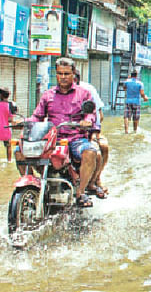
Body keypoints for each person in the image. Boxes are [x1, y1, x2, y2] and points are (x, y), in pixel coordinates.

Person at [16, 57, 101, 208]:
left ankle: (80, 193)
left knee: (90, 152)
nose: (63, 77)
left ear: (73, 74)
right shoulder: (48, 95)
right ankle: (35, 186)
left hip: (75, 139)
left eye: (66, 74)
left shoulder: (84, 93)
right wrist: (25, 122)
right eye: (60, 74)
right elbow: (37, 116)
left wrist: (86, 121)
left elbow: (91, 114)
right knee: (19, 150)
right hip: (52, 138)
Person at [74, 70, 109, 198]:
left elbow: (98, 115)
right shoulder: (52, 94)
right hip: (63, 135)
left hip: (86, 133)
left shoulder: (87, 91)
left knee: (101, 149)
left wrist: (93, 131)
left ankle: (95, 179)